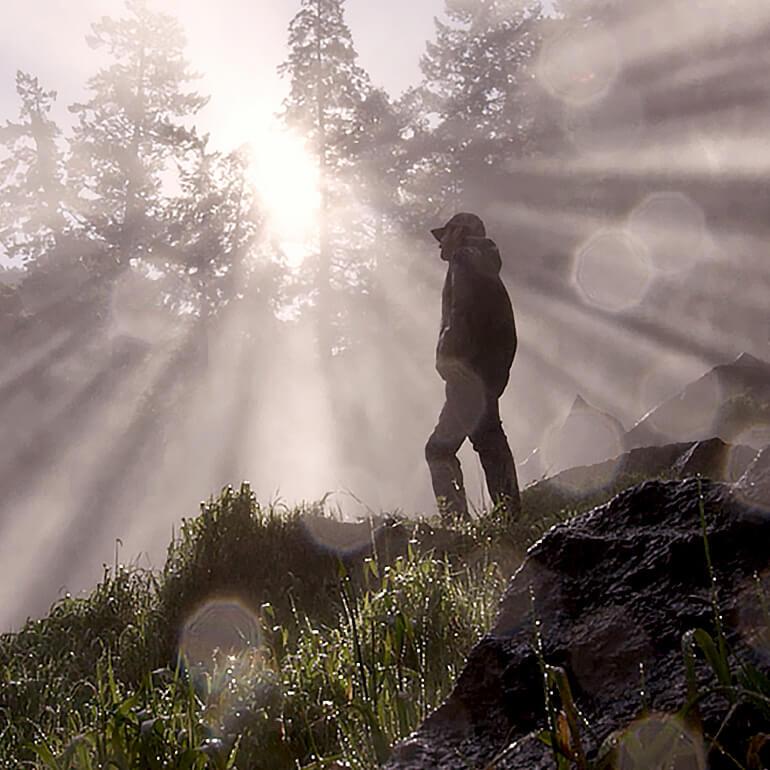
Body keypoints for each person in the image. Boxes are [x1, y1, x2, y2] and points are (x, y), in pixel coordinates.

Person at [425, 212, 521, 520]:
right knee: (488, 438)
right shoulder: (485, 263)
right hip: (485, 371)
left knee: (440, 450)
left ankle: (457, 523)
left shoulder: (464, 259)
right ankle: (509, 515)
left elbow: (461, 312)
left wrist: (447, 356)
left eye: (445, 234)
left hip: (468, 371)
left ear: (461, 232)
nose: (440, 242)